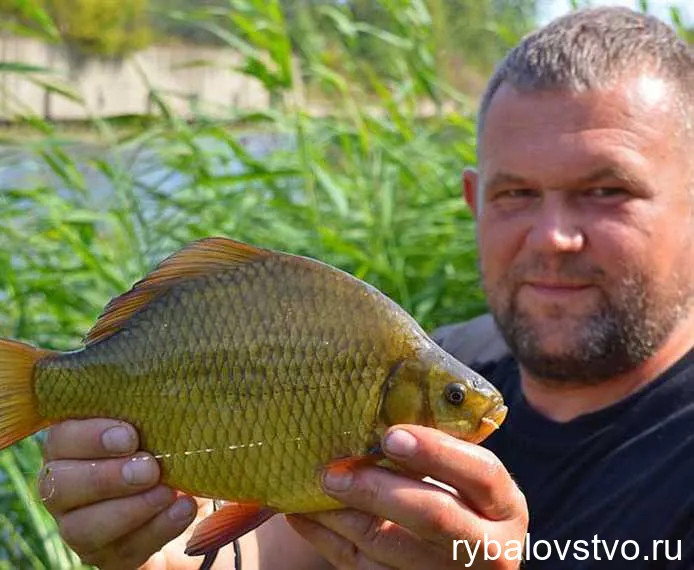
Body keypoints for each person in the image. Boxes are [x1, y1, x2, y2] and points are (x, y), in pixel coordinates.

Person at [38, 6, 694, 569]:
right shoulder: (427, 363)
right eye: (516, 192)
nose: (553, 236)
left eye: (607, 191)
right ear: (474, 201)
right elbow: (248, 551)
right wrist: (144, 548)